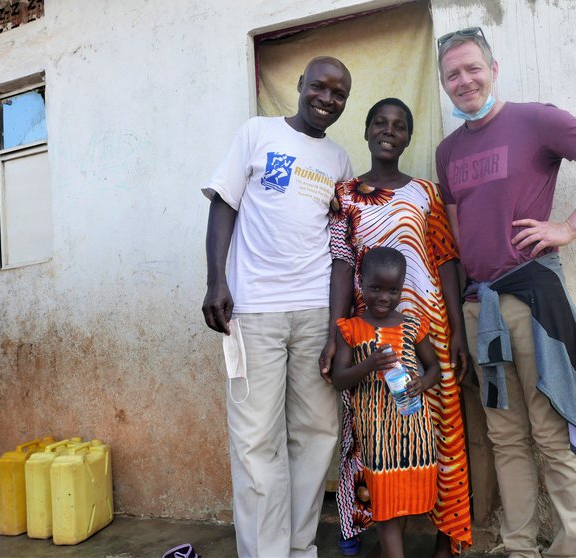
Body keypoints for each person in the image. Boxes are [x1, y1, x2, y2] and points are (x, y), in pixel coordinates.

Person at [435, 27, 576, 558]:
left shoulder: (534, 120)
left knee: (551, 432)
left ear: (494, 69)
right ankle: (519, 546)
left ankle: (570, 548)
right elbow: (460, 238)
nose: (465, 81)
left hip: (532, 301)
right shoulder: (447, 151)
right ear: (443, 83)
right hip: (480, 306)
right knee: (504, 436)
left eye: (473, 68)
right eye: (452, 74)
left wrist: (567, 229)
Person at [200, 56, 353, 558]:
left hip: (313, 313)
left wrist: (336, 327)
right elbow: (224, 203)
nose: (327, 99)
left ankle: (298, 548)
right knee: (255, 439)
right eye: (320, 87)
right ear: (300, 84)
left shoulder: (338, 160)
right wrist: (215, 280)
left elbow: (339, 247)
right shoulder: (257, 133)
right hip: (255, 311)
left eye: (339, 94)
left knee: (315, 435)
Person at [322, 98, 473, 555]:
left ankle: (447, 538)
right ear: (367, 131)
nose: (389, 131)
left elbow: (446, 261)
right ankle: (381, 536)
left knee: (442, 432)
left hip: (428, 328)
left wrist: (459, 330)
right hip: (367, 335)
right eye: (380, 123)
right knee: (373, 436)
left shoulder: (426, 192)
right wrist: (335, 331)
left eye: (400, 126)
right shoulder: (345, 194)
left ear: (408, 137)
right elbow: (342, 265)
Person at [332, 246, 442, 558]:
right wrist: (368, 365)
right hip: (376, 433)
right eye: (375, 288)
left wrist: (423, 382)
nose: (383, 298)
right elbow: (339, 379)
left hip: (413, 430)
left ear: (402, 287)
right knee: (384, 499)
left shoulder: (412, 325)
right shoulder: (350, 328)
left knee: (403, 498)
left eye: (393, 290)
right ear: (361, 283)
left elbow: (434, 368)